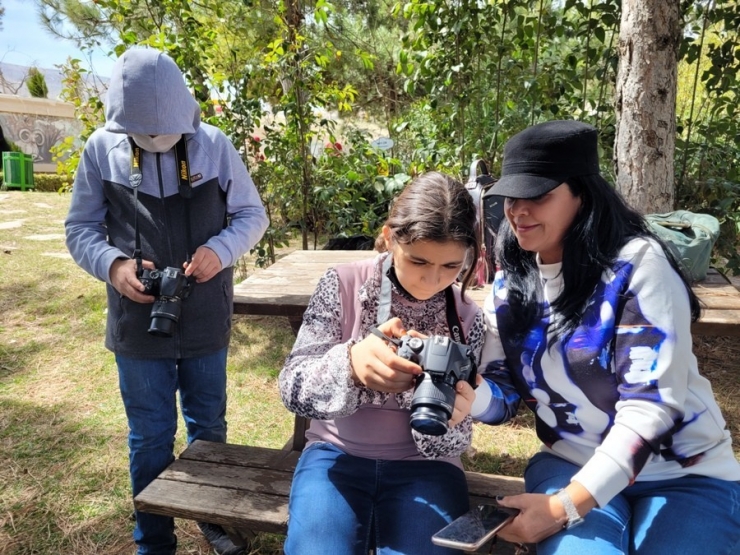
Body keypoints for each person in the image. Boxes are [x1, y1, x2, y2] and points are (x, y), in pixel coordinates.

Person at [471, 120, 740, 554]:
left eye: (538, 195)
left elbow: (649, 406)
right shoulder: (509, 287)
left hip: (686, 473)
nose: (518, 210)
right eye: (511, 196)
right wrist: (470, 397)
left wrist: (562, 510)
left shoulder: (637, 266)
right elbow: (502, 395)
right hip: (570, 462)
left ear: (583, 195)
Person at [65, 48, 268, 555]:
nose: (157, 142)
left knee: (208, 426)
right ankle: (154, 540)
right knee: (150, 437)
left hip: (205, 316)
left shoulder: (215, 146)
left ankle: (213, 521)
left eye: (168, 134)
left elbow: (251, 216)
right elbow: (80, 228)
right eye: (144, 135)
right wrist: (113, 266)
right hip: (137, 322)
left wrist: (218, 251)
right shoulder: (99, 149)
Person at [278, 171, 486, 555]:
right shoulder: (342, 284)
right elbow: (291, 388)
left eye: (451, 266)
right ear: (390, 238)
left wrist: (452, 414)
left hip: (429, 468)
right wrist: (350, 364)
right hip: (335, 455)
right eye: (418, 260)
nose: (432, 279)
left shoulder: (468, 318)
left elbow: (456, 440)